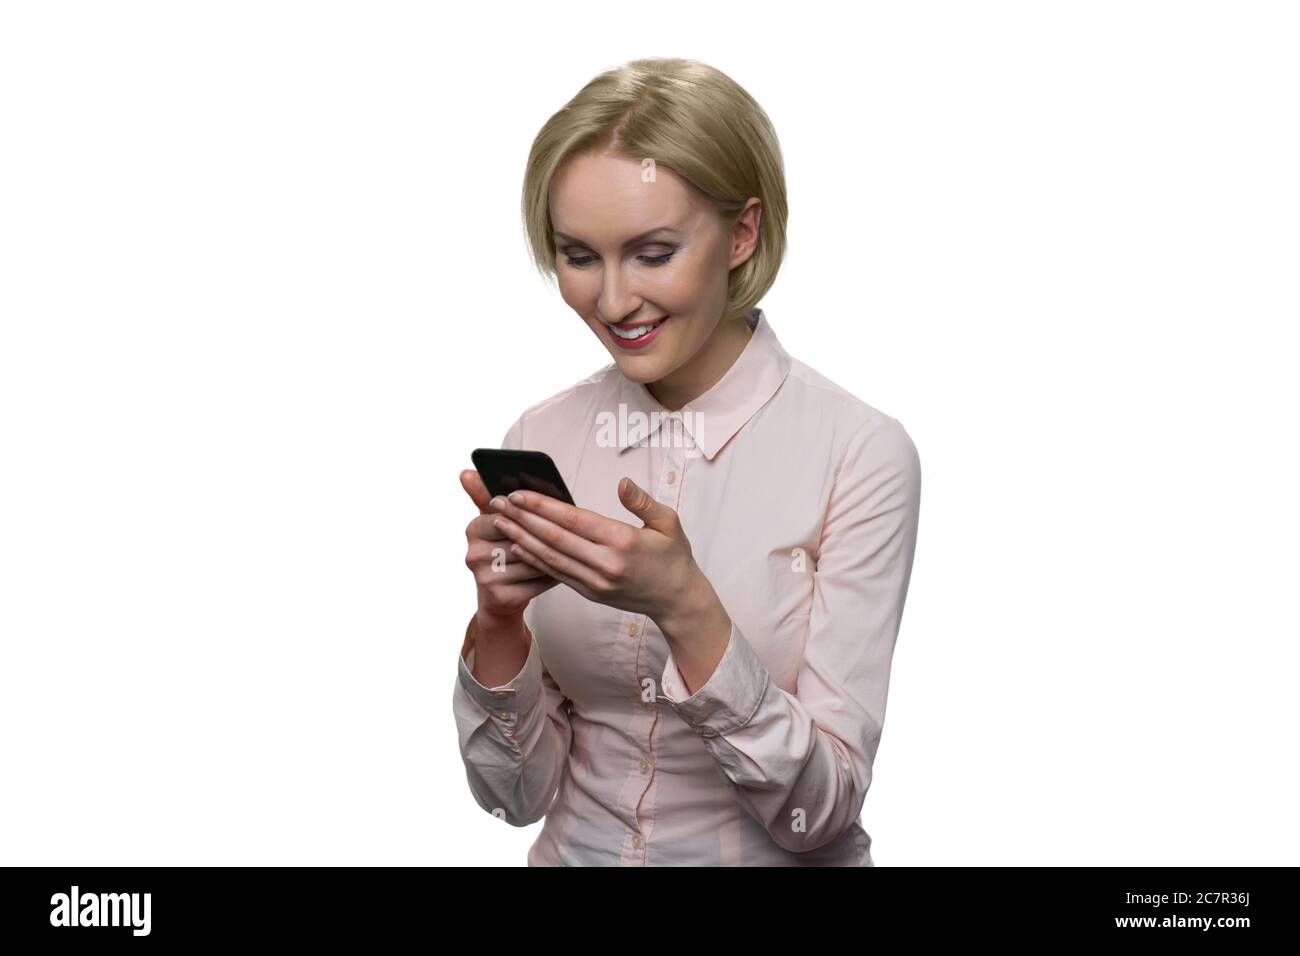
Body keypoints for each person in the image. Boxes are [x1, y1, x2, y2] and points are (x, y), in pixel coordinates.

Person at [453, 56, 921, 866]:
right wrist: (497, 626)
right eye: (579, 255)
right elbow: (514, 798)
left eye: (653, 252)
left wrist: (687, 609)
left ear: (743, 233)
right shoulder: (544, 433)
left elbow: (821, 809)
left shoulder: (859, 453)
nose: (612, 302)